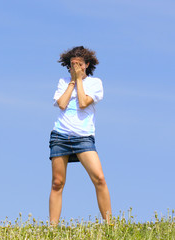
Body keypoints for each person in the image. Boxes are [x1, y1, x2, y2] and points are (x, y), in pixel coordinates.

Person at [48, 46, 112, 225]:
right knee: (57, 183)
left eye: (78, 65)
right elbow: (61, 103)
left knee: (99, 178)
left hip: (83, 137)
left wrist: (79, 81)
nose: (74, 68)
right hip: (60, 136)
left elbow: (83, 102)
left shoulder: (95, 83)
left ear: (87, 65)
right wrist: (72, 82)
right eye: (71, 65)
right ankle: (52, 228)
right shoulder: (63, 81)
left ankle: (110, 225)